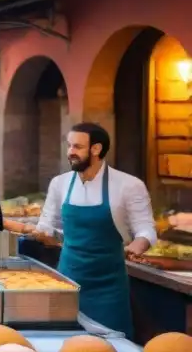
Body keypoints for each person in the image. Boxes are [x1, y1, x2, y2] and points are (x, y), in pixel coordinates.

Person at [34, 122, 155, 339]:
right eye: (69, 145)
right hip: (68, 280)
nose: (70, 152)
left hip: (108, 286)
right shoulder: (59, 184)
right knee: (68, 344)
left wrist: (139, 244)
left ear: (96, 149)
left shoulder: (129, 185)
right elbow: (47, 225)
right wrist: (40, 233)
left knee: (113, 348)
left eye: (77, 147)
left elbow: (146, 229)